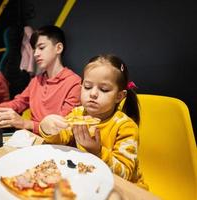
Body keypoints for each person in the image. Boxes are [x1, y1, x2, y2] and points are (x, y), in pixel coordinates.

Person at [39, 54, 148, 189]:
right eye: (88, 87)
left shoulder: (125, 126)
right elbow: (62, 138)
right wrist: (48, 128)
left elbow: (125, 174)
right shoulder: (78, 114)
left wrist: (97, 151)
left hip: (126, 189)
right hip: (92, 181)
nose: (93, 94)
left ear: (119, 96)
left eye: (104, 89)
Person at [0, 25, 81, 134]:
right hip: (31, 139)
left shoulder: (74, 82)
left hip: (57, 146)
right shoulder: (36, 80)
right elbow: (17, 103)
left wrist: (25, 123)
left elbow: (63, 126)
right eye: (34, 49)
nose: (35, 54)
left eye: (41, 48)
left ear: (58, 48)